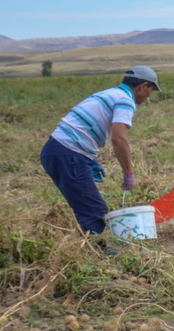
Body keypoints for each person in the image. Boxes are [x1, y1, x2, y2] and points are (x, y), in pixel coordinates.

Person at [39, 66, 160, 237]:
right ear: (144, 86)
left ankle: (87, 243)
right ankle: (98, 248)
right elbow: (119, 139)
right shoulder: (125, 101)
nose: (148, 96)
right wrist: (128, 172)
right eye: (151, 90)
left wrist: (89, 160)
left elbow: (80, 127)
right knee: (93, 209)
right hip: (68, 153)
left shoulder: (108, 94)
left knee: (84, 204)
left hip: (57, 150)